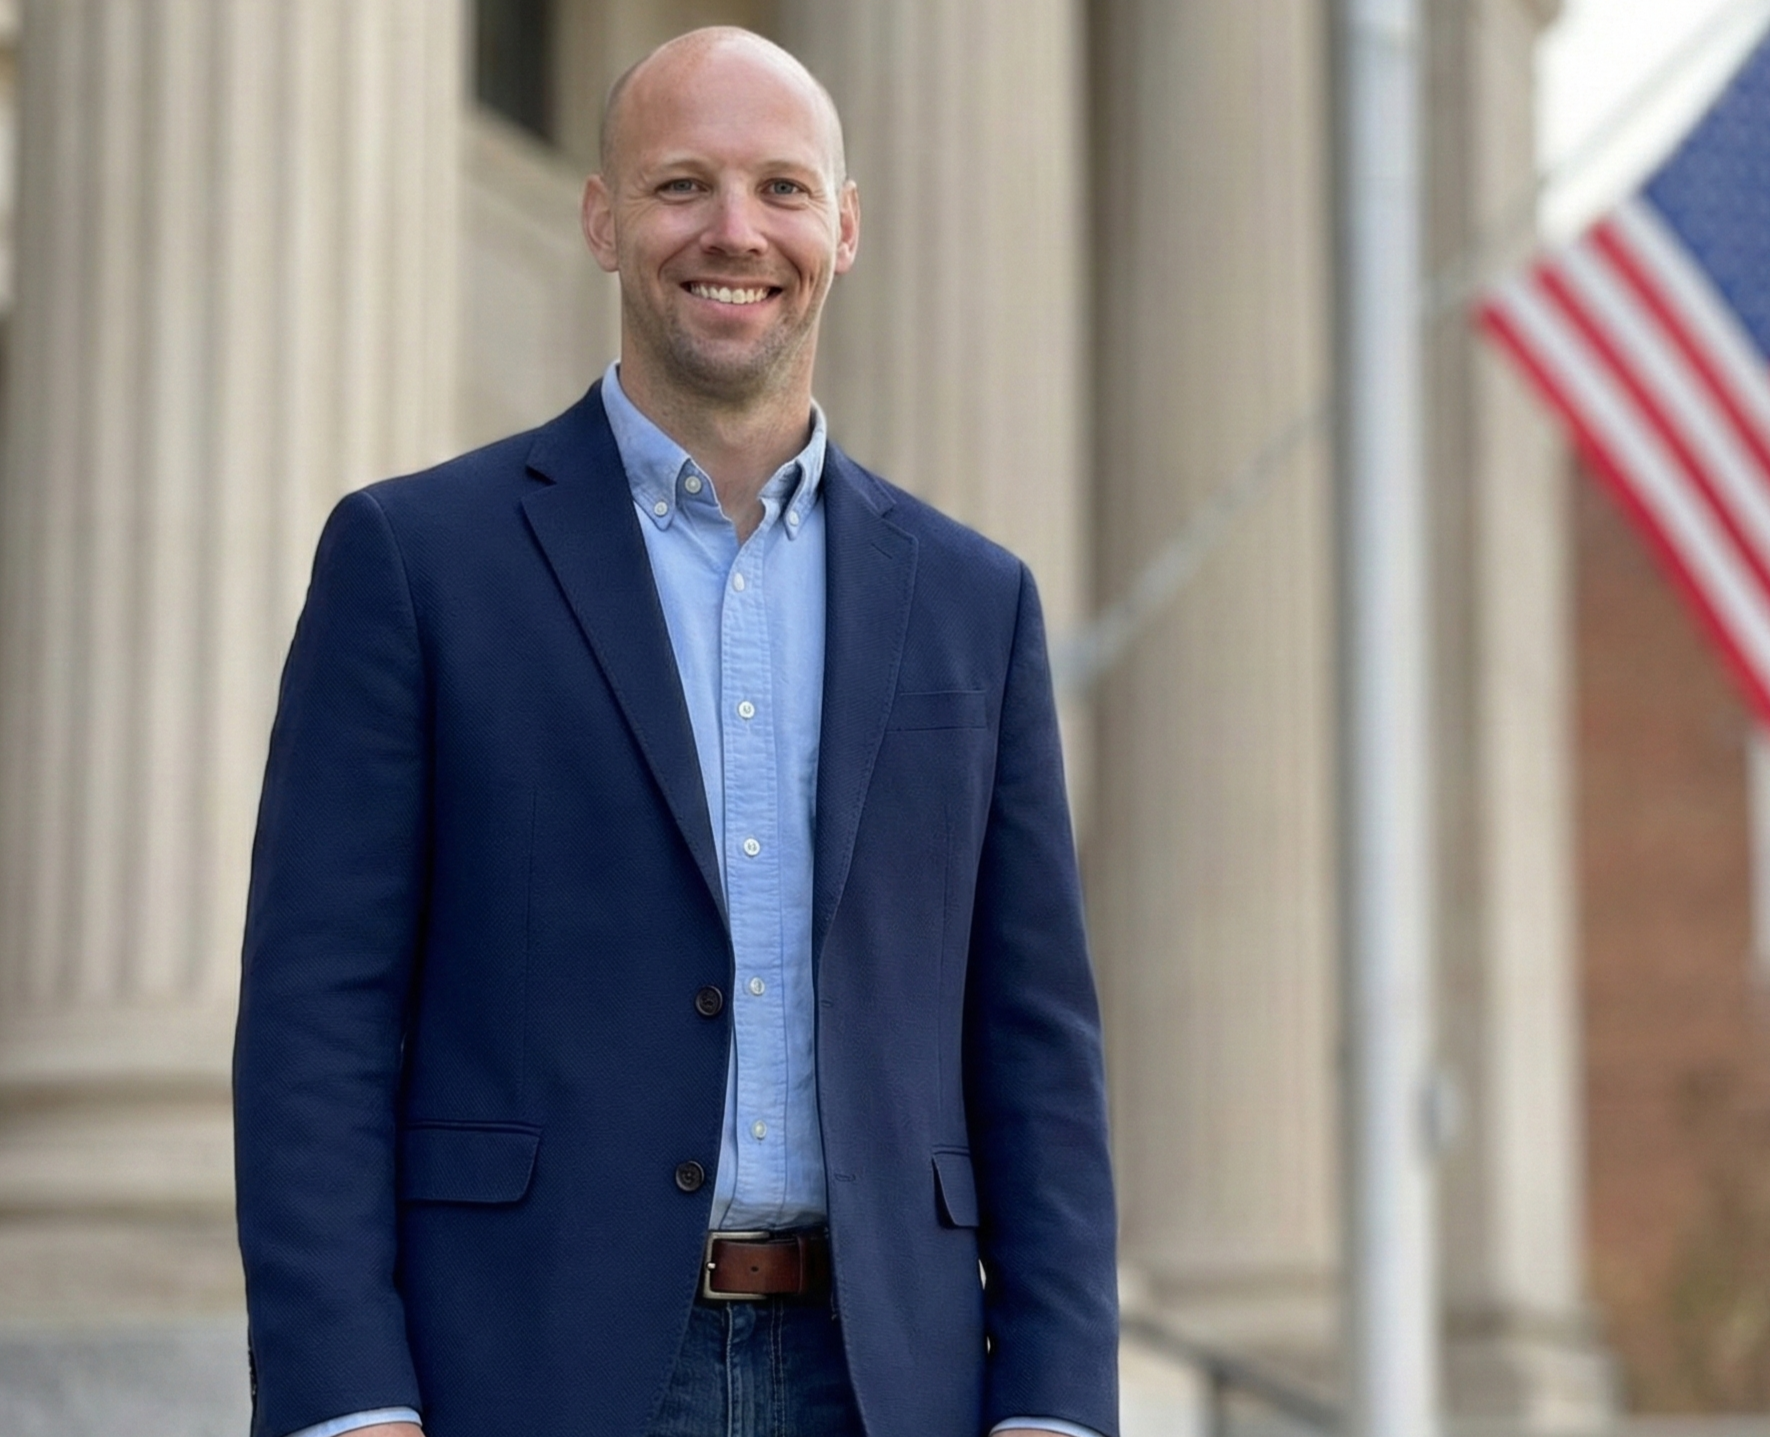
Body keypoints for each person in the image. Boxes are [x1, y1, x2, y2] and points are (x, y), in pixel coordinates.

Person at [232, 26, 1117, 1437]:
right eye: (680, 185)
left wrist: (1057, 1402)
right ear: (600, 219)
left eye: (780, 188)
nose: (734, 232)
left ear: (844, 227)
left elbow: (1033, 1041)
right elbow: (315, 1019)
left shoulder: (969, 601)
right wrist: (346, 1397)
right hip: (520, 1370)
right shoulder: (414, 560)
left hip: (888, 1382)